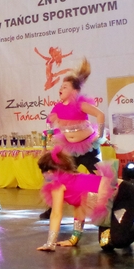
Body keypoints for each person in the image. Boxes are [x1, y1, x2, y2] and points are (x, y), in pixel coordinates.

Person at [41, 58, 106, 219]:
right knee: (61, 177)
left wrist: (100, 135)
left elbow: (100, 115)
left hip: (88, 147)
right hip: (70, 149)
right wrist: (48, 137)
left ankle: (109, 204)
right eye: (60, 87)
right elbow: (50, 124)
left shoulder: (80, 104)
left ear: (74, 91)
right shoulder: (57, 107)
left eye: (65, 87)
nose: (61, 89)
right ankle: (52, 208)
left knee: (101, 176)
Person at [36, 147, 123, 251]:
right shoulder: (72, 179)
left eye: (42, 171)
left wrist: (50, 243)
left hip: (124, 196)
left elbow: (56, 214)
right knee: (106, 243)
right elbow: (79, 209)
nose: (43, 175)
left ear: (49, 172)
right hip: (113, 201)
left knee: (118, 240)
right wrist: (74, 239)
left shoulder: (58, 186)